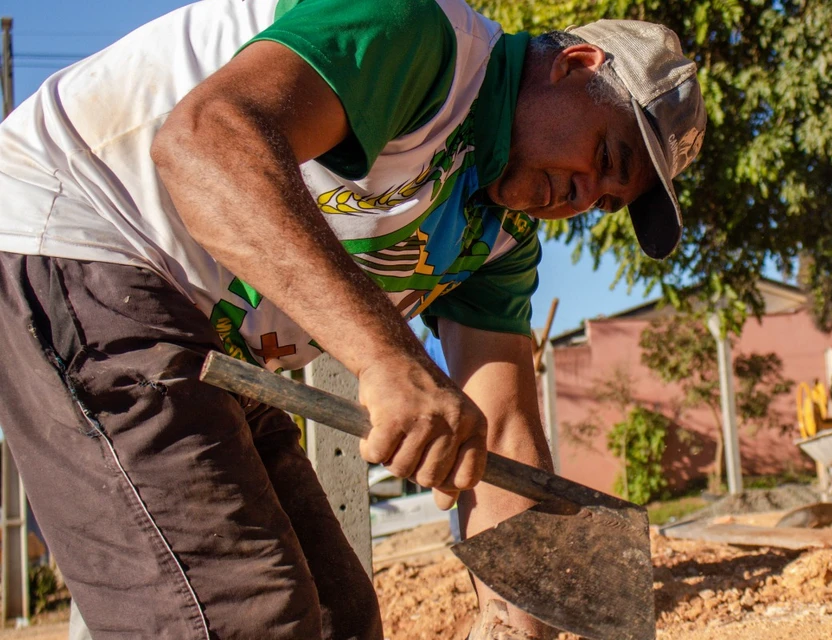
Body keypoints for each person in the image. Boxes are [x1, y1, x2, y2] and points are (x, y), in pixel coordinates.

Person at [0, 0, 705, 637]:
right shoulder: (418, 31)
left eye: (604, 200)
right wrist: (389, 360)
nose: (581, 196)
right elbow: (204, 142)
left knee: (340, 614)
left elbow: (504, 435)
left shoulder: (497, 240)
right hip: (76, 237)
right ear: (576, 64)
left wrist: (519, 613)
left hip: (209, 336)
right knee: (241, 616)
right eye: (604, 156)